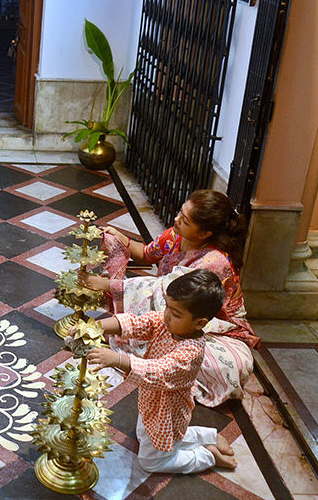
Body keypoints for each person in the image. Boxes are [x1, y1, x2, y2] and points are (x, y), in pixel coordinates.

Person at [79, 190, 259, 407]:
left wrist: (108, 285)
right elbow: (146, 254)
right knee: (155, 319)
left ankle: (165, 367)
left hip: (211, 325)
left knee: (226, 364)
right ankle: (159, 362)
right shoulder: (176, 236)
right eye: (180, 213)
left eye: (185, 220)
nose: (176, 219)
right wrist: (120, 238)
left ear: (204, 234)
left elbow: (165, 291)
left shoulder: (215, 261)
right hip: (172, 308)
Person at [79, 269, 237, 473]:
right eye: (167, 307)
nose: (167, 316)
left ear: (199, 323)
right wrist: (94, 326)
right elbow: (137, 323)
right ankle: (208, 436)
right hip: (151, 399)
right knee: (146, 433)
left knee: (151, 461)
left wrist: (117, 359)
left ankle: (207, 456)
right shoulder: (167, 324)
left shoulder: (191, 352)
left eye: (176, 314)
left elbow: (158, 371)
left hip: (168, 409)